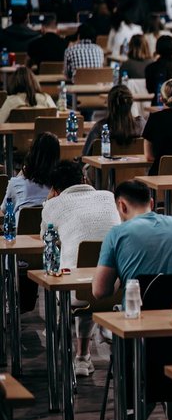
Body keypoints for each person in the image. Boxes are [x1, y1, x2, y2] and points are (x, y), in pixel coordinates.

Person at [42, 160, 121, 375]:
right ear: (84, 179)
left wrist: (48, 203)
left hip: (78, 292)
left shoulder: (54, 204)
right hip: (119, 290)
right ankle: (93, 345)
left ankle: (81, 357)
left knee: (77, 278)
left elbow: (45, 237)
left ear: (55, 189)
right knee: (95, 278)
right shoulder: (108, 196)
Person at [93, 179, 172, 300]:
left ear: (122, 206)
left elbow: (100, 291)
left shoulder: (116, 234)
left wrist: (119, 278)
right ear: (152, 203)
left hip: (137, 315)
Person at [3, 132, 58, 221]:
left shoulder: (16, 184)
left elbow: (4, 210)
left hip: (20, 233)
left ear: (31, 152)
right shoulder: (60, 188)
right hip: (49, 233)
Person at [82, 85, 146, 157]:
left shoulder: (99, 128)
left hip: (105, 168)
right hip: (138, 167)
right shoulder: (141, 125)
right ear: (130, 103)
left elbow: (85, 157)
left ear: (109, 104)